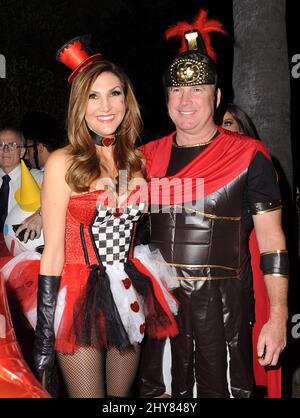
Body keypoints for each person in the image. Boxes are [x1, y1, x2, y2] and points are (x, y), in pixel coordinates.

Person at [138, 9, 288, 398]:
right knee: (163, 395)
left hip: (223, 311)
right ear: (166, 98)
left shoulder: (249, 155)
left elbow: (272, 243)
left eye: (198, 89)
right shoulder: (144, 158)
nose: (185, 100)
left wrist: (277, 315)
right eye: (176, 90)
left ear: (217, 97)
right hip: (161, 308)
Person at [31, 36, 178, 398]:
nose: (105, 106)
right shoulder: (63, 162)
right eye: (93, 96)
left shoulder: (137, 161)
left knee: (119, 400)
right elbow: (52, 252)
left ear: (127, 101)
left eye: (114, 93)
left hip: (128, 290)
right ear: (79, 105)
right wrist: (46, 332)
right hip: (77, 295)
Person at [0, 127, 43, 251]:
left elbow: (64, 200)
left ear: (23, 151)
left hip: (24, 250)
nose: (5, 149)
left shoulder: (39, 179)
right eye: (0, 145)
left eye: (12, 145)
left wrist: (41, 214)